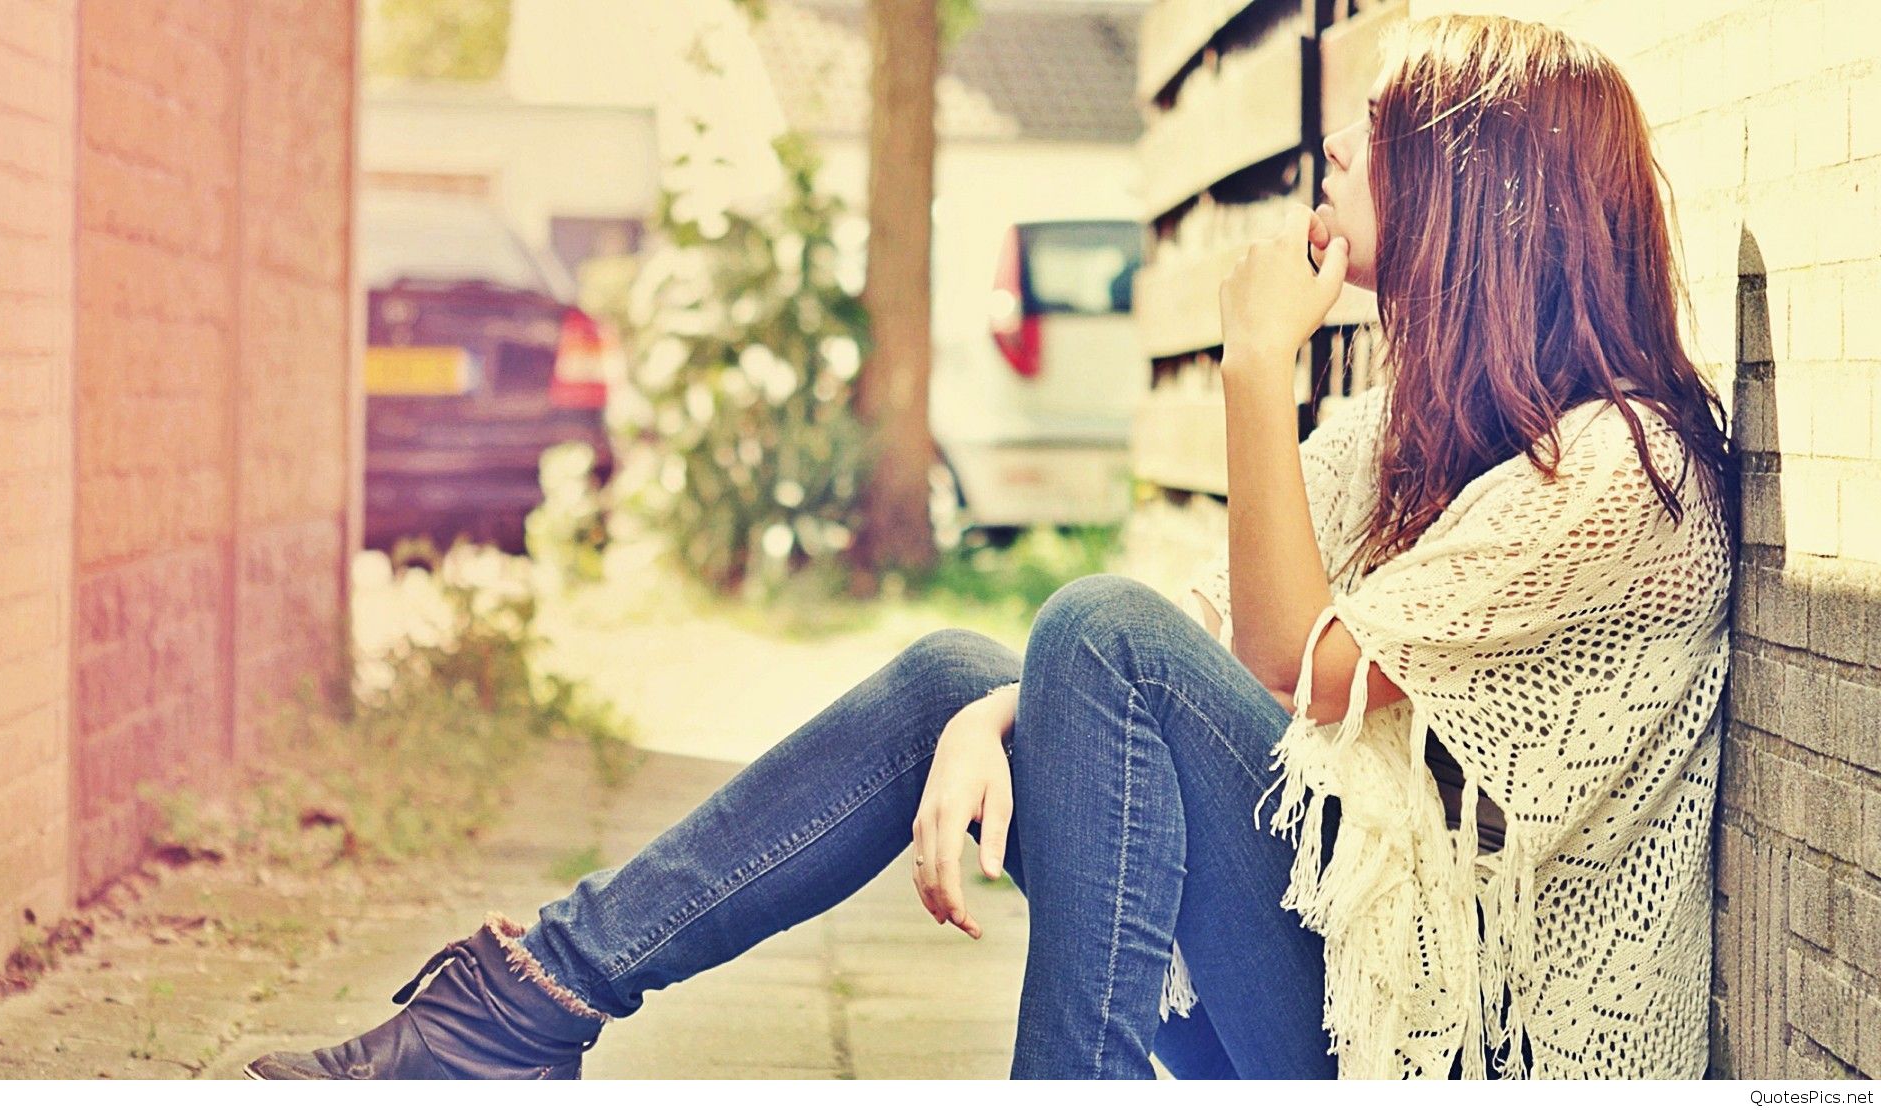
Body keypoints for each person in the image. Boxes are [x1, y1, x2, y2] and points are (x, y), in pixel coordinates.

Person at [246, 12, 1736, 1081]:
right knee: (967, 660)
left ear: (1474, 195)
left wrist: (1247, 369)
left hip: (1454, 1052)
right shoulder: (1414, 438)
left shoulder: (1629, 472)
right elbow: (1214, 634)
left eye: (1365, 144)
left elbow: (1292, 665)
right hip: (1339, 981)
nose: (1323, 167)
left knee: (1087, 629)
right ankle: (525, 1001)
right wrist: (996, 707)